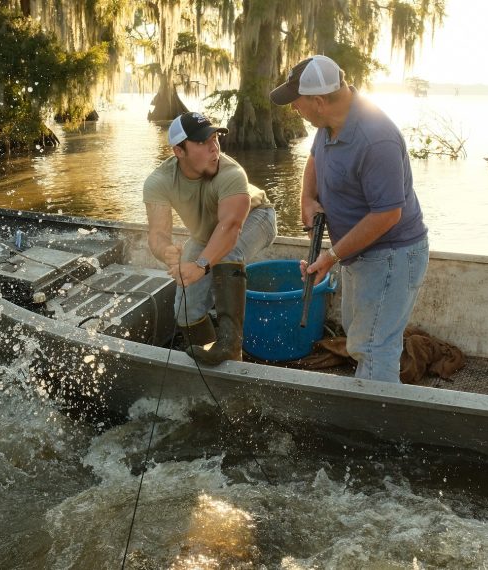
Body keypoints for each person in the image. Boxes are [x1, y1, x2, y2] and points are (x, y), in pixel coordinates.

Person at [269, 55, 429, 383]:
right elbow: (315, 158)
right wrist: (308, 198)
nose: (293, 109)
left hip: (391, 256)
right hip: (358, 253)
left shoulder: (376, 138)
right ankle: (369, 403)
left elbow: (387, 214)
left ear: (318, 101)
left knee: (374, 346)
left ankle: (380, 429)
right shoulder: (329, 122)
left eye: (296, 103)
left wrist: (331, 256)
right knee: (360, 337)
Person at [143, 111, 277, 364]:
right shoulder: (159, 181)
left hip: (257, 219)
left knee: (227, 251)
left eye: (215, 138)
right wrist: (165, 251)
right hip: (207, 234)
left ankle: (230, 345)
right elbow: (158, 234)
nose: (214, 147)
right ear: (178, 151)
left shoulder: (231, 173)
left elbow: (231, 227)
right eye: (202, 142)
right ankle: (205, 354)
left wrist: (201, 265)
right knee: (185, 308)